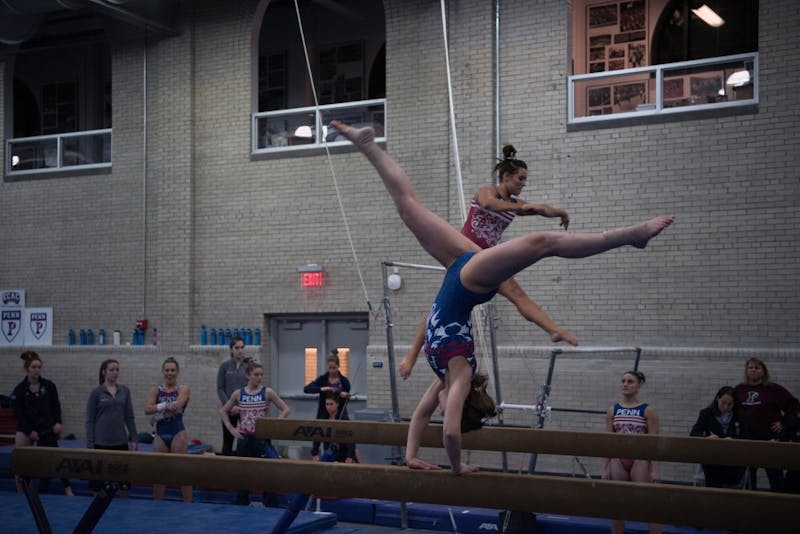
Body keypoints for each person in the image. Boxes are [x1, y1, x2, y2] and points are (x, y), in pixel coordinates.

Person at [331, 120, 673, 474]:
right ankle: (630, 237)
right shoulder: (459, 375)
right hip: (469, 276)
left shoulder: (441, 378)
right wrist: (456, 467)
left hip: (459, 266)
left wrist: (411, 455)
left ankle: (367, 145)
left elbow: (420, 416)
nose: (440, 406)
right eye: (449, 406)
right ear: (460, 404)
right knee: (543, 243)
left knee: (406, 207)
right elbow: (449, 432)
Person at [400, 145, 577, 382]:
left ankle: (553, 329)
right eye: (520, 178)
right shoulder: (486, 192)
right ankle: (410, 357)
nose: (523, 183)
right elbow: (490, 205)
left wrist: (560, 212)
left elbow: (541, 208)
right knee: (438, 308)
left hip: (488, 259)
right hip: (462, 255)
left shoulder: (516, 203)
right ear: (505, 177)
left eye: (525, 179)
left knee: (518, 295)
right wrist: (521, 207)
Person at [220, 361, 290, 506]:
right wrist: (232, 429)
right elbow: (223, 411)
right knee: (243, 473)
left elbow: (285, 409)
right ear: (248, 375)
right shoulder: (239, 394)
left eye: (261, 375)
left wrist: (273, 424)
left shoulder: (267, 392)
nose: (259, 377)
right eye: (256, 375)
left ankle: (271, 503)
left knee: (267, 472)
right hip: (244, 438)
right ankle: (242, 502)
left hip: (262, 438)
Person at [603, 370, 660, 534]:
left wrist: (655, 470)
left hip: (640, 460)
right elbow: (606, 442)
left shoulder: (648, 411)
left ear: (639, 386)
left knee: (649, 506)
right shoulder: (613, 410)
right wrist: (604, 468)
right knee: (618, 508)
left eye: (630, 381)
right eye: (623, 381)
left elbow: (654, 443)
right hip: (618, 460)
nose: (625, 384)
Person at [11, 351, 73, 496]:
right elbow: (18, 414)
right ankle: (20, 487)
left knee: (57, 458)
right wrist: (28, 431)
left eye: (39, 367)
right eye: (34, 367)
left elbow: (56, 405)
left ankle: (67, 488)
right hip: (27, 427)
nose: (37, 370)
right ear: (27, 369)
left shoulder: (49, 386)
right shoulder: (20, 389)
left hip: (46, 426)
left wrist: (58, 422)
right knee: (20, 458)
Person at [733, 357, 799, 492]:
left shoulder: (773, 389)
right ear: (746, 371)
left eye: (757, 368)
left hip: (770, 440)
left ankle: (780, 506)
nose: (753, 370)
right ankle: (751, 506)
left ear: (763, 371)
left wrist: (784, 422)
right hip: (747, 440)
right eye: (750, 367)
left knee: (775, 477)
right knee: (748, 479)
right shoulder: (739, 389)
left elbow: (795, 406)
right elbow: (731, 410)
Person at [86, 358, 137, 497]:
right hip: (100, 443)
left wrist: (133, 438)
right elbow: (90, 420)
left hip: (120, 442)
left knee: (123, 485)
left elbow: (129, 417)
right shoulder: (96, 393)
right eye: (112, 370)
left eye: (117, 370)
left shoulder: (124, 391)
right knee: (98, 486)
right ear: (104, 372)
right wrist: (90, 444)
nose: (115, 373)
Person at [145, 357, 192, 502]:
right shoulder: (155, 390)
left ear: (177, 372)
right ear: (162, 371)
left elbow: (178, 406)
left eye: (172, 370)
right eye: (167, 370)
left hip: (177, 431)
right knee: (159, 472)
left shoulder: (183, 388)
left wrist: (157, 416)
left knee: (181, 471)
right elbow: (147, 409)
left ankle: (188, 504)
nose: (169, 373)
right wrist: (165, 406)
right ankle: (157, 504)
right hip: (160, 434)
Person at [689, 386, 746, 488]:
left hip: (734, 459)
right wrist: (707, 438)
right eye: (723, 403)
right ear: (717, 399)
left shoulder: (740, 415)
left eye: (730, 404)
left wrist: (734, 440)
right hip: (712, 458)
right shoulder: (706, 413)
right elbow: (694, 433)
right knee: (713, 475)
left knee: (733, 478)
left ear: (735, 403)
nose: (725, 407)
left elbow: (747, 436)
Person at [217, 336, 251, 455]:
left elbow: (251, 389)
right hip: (229, 410)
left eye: (242, 347)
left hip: (244, 410)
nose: (240, 350)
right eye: (237, 348)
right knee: (227, 441)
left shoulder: (248, 367)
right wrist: (230, 406)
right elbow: (220, 388)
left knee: (245, 440)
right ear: (231, 349)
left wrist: (242, 406)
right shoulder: (225, 366)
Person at [303, 350, 351, 420]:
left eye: (334, 368)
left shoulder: (344, 381)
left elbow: (346, 400)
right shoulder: (322, 379)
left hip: (340, 414)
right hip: (323, 414)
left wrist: (346, 395)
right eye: (330, 368)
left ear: (338, 366)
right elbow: (306, 389)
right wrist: (324, 388)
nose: (332, 371)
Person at [311, 392, 358, 463]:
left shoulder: (343, 418)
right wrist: (315, 452)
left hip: (342, 452)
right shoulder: (323, 418)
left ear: (337, 404)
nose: (329, 407)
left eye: (331, 404)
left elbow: (351, 440)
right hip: (329, 451)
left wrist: (349, 455)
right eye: (327, 404)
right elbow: (317, 436)